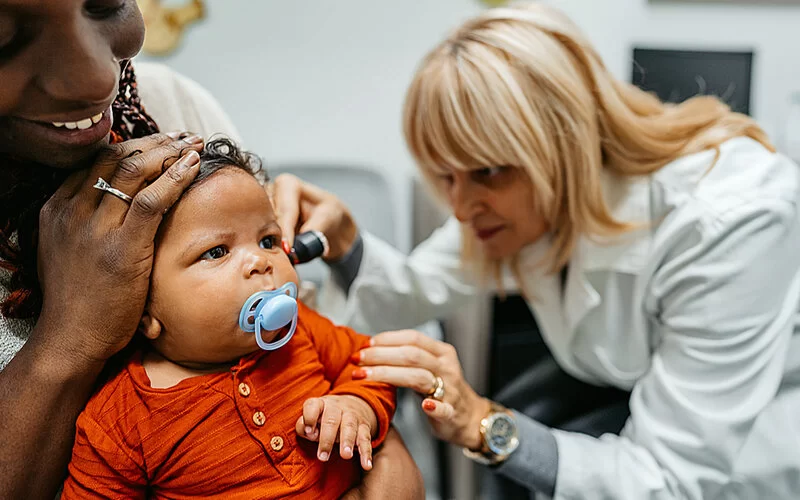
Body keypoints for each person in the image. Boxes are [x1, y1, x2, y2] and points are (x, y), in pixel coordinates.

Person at [273, 2, 800, 499]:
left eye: (486, 171)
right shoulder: (526, 195)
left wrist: (481, 423)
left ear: (562, 147)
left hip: (746, 432)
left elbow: (669, 477)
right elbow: (415, 289)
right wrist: (345, 243)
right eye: (446, 176)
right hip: (623, 378)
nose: (460, 208)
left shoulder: (728, 222)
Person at [0, 2, 422, 498]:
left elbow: (361, 367)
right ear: (142, 312)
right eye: (5, 37)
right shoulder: (123, 424)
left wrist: (363, 415)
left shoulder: (173, 107)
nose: (96, 80)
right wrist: (70, 337)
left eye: (108, 1)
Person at [61, 138, 396, 498]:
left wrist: (356, 405)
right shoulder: (120, 421)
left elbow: (372, 365)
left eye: (268, 240)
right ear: (142, 309)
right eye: (217, 251)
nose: (260, 261)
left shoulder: (302, 329)